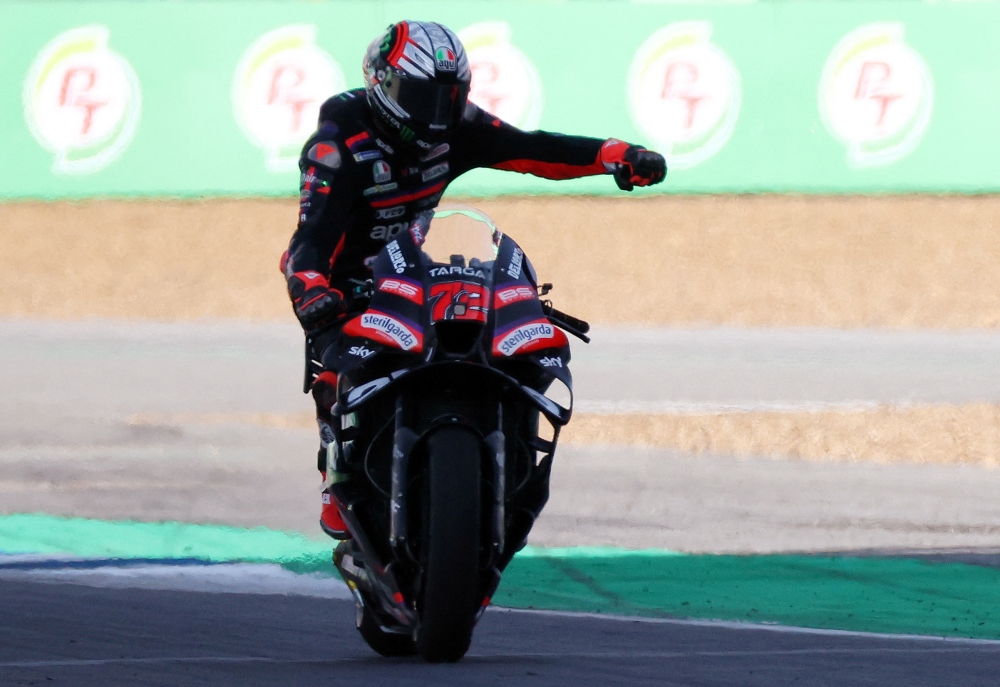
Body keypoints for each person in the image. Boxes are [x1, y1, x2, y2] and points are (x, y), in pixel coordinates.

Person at [280, 20, 666, 538]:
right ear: (383, 86)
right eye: (422, 97)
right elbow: (312, 236)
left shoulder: (457, 127)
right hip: (339, 282)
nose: (436, 114)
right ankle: (339, 471)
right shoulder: (338, 141)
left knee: (477, 331)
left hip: (409, 268)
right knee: (338, 370)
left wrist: (612, 155)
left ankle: (493, 448)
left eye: (448, 98)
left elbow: (532, 150)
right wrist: (311, 288)